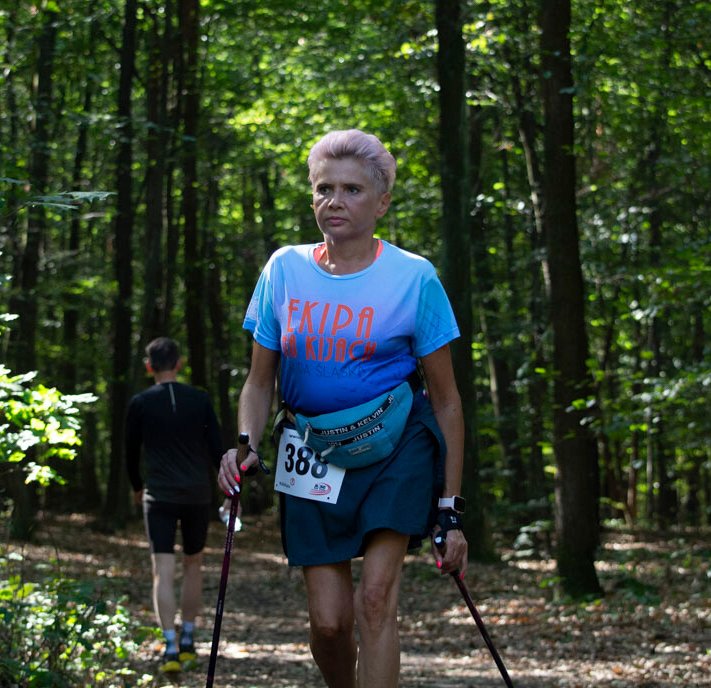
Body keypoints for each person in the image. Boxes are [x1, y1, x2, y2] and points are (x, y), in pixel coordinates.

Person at [217, 129, 470, 688]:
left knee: (376, 600)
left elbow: (448, 401)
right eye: (323, 189)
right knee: (329, 624)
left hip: (395, 446)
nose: (335, 201)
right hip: (312, 452)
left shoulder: (414, 278)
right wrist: (245, 447)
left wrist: (449, 508)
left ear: (381, 202)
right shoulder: (284, 270)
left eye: (352, 190)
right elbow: (260, 384)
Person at [126, 336, 224, 673]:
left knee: (162, 571)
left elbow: (129, 452)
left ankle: (169, 647)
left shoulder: (140, 402)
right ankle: (188, 639)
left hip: (160, 496)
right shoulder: (199, 399)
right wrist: (228, 488)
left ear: (149, 366)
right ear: (179, 363)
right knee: (193, 564)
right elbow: (216, 449)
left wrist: (138, 487)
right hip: (197, 494)